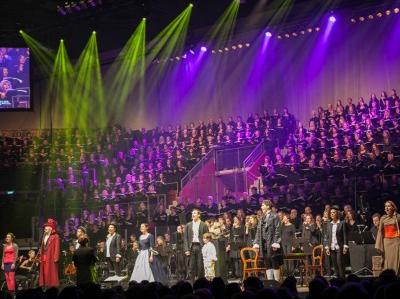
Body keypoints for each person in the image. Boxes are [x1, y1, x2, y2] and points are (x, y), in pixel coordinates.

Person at [253, 200, 282, 281]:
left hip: (272, 243)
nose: (261, 207)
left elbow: (278, 229)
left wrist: (276, 242)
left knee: (274, 262)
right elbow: (258, 231)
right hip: (264, 243)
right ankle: (270, 282)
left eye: (263, 205)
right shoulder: (262, 217)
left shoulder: (275, 216)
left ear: (268, 206)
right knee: (267, 263)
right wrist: (256, 243)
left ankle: (276, 282)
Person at [375, 200, 400, 275]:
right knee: (387, 260)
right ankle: (388, 277)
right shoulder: (383, 218)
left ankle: (396, 276)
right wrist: (379, 244)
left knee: (396, 260)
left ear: (393, 207)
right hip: (386, 242)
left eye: (389, 206)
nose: (387, 208)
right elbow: (379, 231)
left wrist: (396, 217)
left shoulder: (398, 217)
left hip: (396, 241)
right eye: (385, 206)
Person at [183, 208, 209, 281]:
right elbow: (185, 238)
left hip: (201, 247)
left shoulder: (203, 225)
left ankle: (200, 282)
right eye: (192, 213)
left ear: (199, 215)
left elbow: (208, 237)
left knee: (200, 266)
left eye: (194, 213)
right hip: (191, 247)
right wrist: (186, 249)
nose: (193, 214)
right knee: (191, 267)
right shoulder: (188, 225)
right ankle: (192, 283)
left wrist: (206, 248)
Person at [323, 207, 348, 279]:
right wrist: (327, 247)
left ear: (337, 213)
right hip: (332, 247)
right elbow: (327, 237)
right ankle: (338, 280)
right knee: (334, 265)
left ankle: (342, 279)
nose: (332, 214)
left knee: (340, 263)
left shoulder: (342, 223)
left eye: (333, 212)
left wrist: (345, 246)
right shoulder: (329, 224)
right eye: (331, 213)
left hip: (339, 247)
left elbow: (345, 235)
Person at [39, 218, 60, 288]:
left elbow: (57, 247)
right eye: (45, 227)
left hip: (51, 256)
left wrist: (56, 257)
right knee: (44, 271)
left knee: (50, 271)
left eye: (46, 227)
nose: (45, 228)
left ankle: (51, 285)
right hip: (44, 256)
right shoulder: (44, 236)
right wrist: (40, 256)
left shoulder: (55, 236)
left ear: (51, 228)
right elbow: (42, 247)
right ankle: (45, 285)